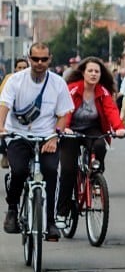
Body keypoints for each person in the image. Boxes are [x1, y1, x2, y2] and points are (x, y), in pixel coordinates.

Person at [0, 43, 74, 240]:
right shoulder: (15, 80)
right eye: (35, 59)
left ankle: (50, 222)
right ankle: (13, 209)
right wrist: (1, 127)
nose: (39, 63)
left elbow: (63, 114)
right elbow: (5, 105)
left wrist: (55, 136)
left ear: (50, 59)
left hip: (46, 136)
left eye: (44, 59)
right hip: (18, 135)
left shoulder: (58, 83)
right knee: (19, 170)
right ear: (29, 58)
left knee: (50, 172)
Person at [57, 57, 125, 226]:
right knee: (68, 170)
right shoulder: (72, 89)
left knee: (100, 145)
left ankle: (95, 175)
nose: (94, 74)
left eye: (97, 71)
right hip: (70, 129)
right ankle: (61, 211)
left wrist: (119, 127)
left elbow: (111, 111)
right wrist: (64, 127)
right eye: (90, 71)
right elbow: (65, 110)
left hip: (91, 129)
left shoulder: (102, 91)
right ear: (83, 72)